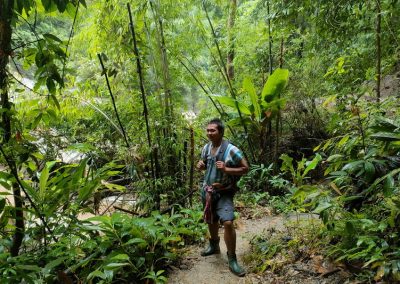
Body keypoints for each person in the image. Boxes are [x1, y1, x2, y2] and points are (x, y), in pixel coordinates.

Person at [196, 118, 249, 277]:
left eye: (213, 130)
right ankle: (214, 245)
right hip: (208, 191)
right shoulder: (206, 148)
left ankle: (232, 258)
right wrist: (201, 166)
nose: (209, 133)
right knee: (211, 219)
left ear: (221, 132)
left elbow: (245, 168)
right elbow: (205, 165)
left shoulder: (231, 150)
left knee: (227, 221)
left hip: (225, 191)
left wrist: (226, 169)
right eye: (208, 130)